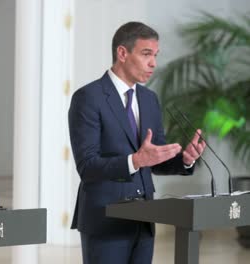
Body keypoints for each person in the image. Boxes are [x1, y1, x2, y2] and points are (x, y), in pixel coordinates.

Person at [68, 22, 206, 264]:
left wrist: (185, 159)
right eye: (146, 54)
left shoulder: (149, 99)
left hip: (143, 220)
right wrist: (135, 160)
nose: (153, 63)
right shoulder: (88, 97)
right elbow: (87, 166)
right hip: (105, 221)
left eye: (155, 55)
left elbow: (154, 158)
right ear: (122, 53)